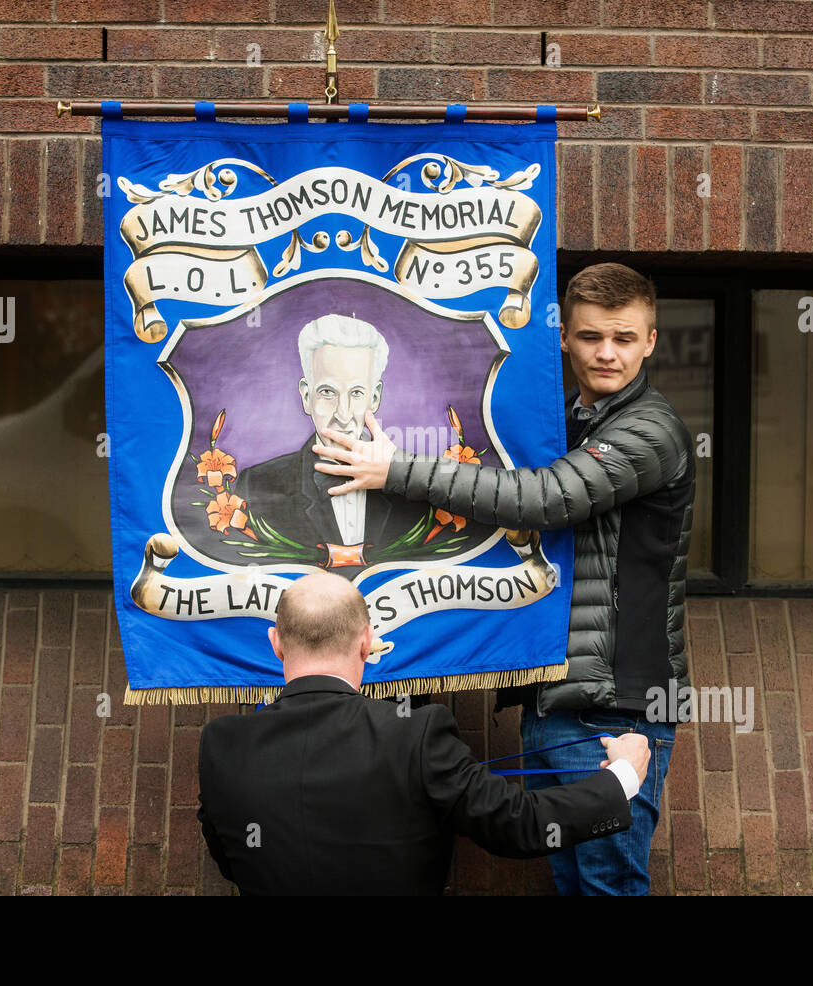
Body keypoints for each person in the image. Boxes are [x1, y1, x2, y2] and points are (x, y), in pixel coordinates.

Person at [312, 263, 695, 895]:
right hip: (556, 696)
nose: (607, 352)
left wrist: (397, 469)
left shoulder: (649, 431)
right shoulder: (571, 423)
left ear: (650, 342)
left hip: (617, 707)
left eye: (624, 338)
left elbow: (546, 498)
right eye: (591, 336)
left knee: (606, 887)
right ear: (564, 338)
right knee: (575, 886)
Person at [196, 572, 652, 896]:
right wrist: (623, 778)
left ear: (276, 642)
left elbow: (229, 856)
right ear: (365, 642)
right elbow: (519, 823)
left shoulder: (221, 745)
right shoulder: (415, 734)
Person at [222, 313, 493, 573]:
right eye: (327, 392)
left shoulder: (422, 486)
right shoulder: (256, 485)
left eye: (356, 393)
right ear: (306, 397)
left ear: (374, 398)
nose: (342, 414)